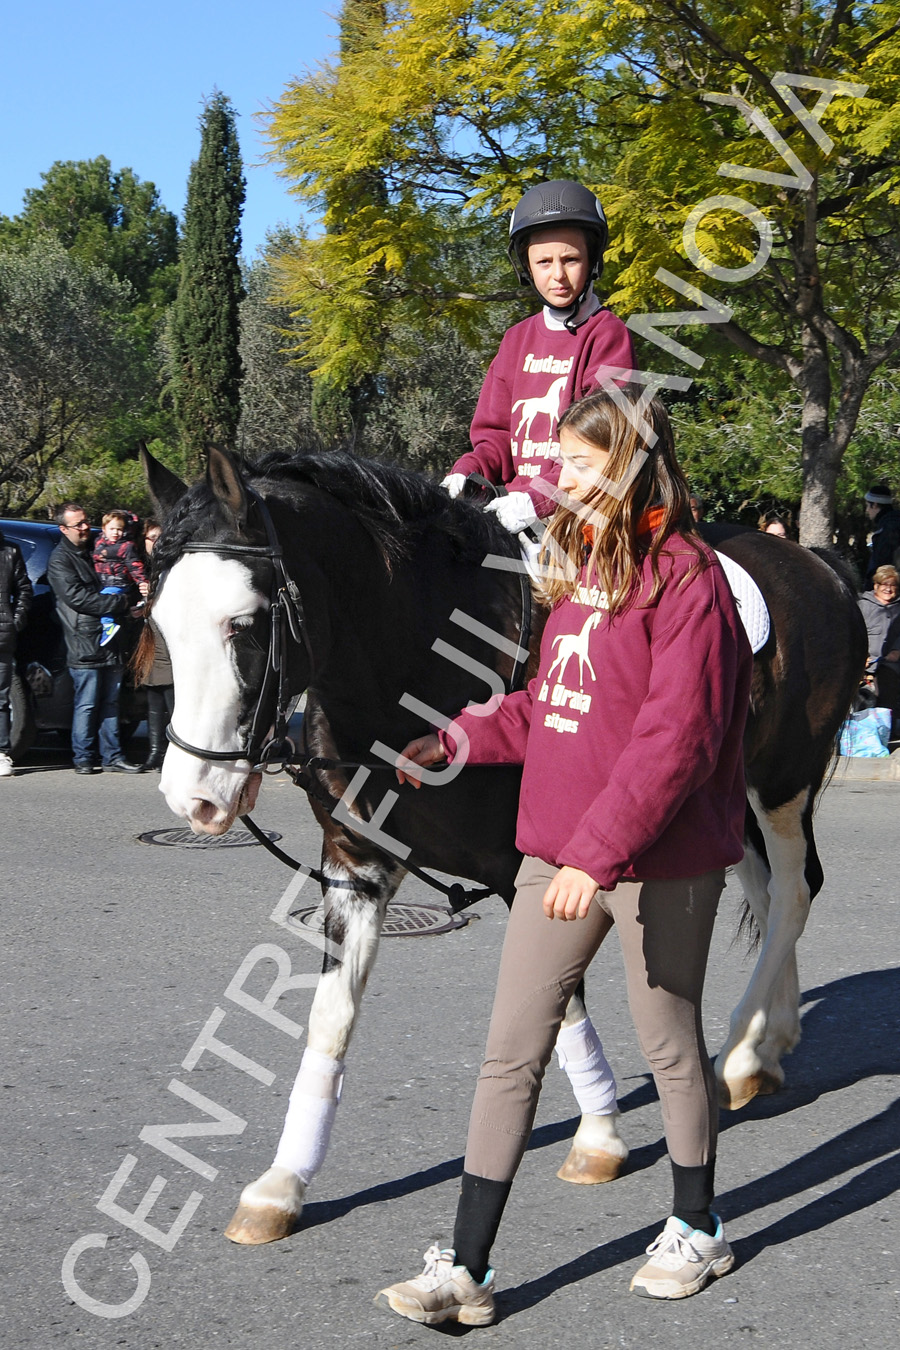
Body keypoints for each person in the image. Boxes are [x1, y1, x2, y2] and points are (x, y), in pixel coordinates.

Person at [377, 388, 752, 1325]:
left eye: (582, 465)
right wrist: (459, 736)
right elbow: (552, 700)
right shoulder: (582, 569)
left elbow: (678, 738)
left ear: (627, 464)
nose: (563, 480)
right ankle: (466, 1267)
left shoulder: (687, 578)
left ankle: (697, 1226)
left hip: (656, 857)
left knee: (668, 1044)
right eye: (562, 462)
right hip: (562, 853)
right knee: (511, 1053)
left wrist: (599, 854)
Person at [441, 180, 635, 536]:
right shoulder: (516, 340)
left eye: (571, 259)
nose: (557, 275)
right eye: (544, 262)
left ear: (592, 260)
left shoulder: (608, 334)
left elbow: (602, 446)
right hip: (512, 512)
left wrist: (538, 499)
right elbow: (496, 436)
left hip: (584, 519)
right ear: (527, 267)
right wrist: (466, 473)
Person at [47, 504, 144, 774]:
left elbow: (125, 562)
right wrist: (122, 603)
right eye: (78, 524)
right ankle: (83, 758)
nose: (84, 527)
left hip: (111, 640)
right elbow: (78, 599)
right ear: (63, 529)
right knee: (87, 704)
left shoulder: (96, 550)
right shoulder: (59, 560)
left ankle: (113, 756)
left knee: (112, 702)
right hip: (84, 642)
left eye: (86, 522)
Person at [138, 519, 174, 770]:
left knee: (173, 699)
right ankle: (154, 751)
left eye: (159, 537)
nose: (156, 543)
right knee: (153, 699)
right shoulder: (136, 564)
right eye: (151, 538)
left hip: (169, 636)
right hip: (147, 637)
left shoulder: (173, 565)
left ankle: (175, 752)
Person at [0, 526, 33, 778]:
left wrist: (15, 620)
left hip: (2, 634)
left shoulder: (10, 552)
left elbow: (24, 590)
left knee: (1, 698)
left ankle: (1, 753)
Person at [858, 565, 900, 731]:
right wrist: (862, 656)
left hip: (888, 663)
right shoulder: (863, 605)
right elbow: (855, 632)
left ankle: (884, 732)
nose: (888, 589)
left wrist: (897, 651)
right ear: (876, 585)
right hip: (864, 662)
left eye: (893, 585)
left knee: (887, 689)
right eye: (884, 584)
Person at [863, 484, 900, 585]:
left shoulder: (887, 530)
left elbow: (881, 565)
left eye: (867, 505)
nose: (867, 510)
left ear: (874, 505)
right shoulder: (893, 522)